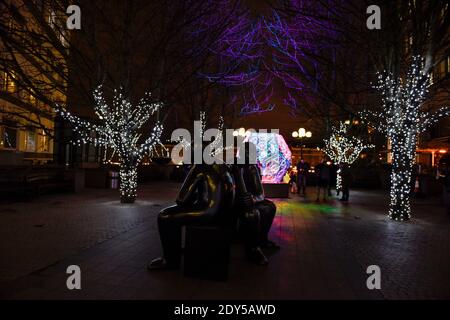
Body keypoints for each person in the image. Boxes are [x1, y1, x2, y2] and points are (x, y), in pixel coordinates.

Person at [148, 163, 235, 270]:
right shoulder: (222, 165)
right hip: (221, 213)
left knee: (165, 216)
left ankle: (170, 260)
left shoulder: (199, 166)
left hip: (208, 212)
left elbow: (182, 199)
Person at [232, 142, 279, 265]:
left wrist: (254, 199)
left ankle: (262, 239)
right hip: (234, 200)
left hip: (249, 199)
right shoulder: (234, 166)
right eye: (245, 152)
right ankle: (253, 249)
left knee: (270, 207)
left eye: (250, 152)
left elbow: (260, 193)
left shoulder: (253, 168)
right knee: (252, 214)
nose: (248, 155)